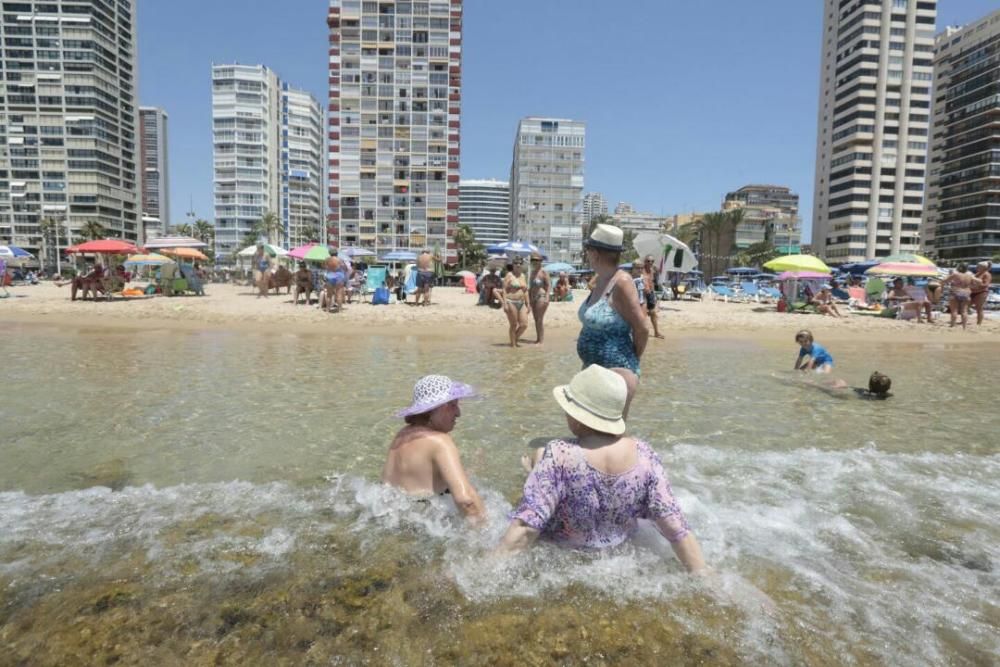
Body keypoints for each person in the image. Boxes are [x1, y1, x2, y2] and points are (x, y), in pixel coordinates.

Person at [497, 365, 707, 573]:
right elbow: (674, 526)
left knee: (539, 456)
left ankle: (532, 473)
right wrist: (703, 573)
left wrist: (487, 568)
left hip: (564, 555)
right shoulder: (645, 454)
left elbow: (527, 527)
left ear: (578, 417)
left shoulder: (559, 454)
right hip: (620, 555)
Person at [383, 375, 485, 523]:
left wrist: (471, 471)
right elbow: (466, 501)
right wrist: (490, 534)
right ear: (435, 409)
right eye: (452, 405)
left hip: (394, 517)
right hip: (425, 523)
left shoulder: (402, 435)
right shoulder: (440, 442)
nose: (458, 413)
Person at [577, 224, 648, 417]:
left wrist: (633, 359)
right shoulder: (600, 280)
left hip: (616, 374)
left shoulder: (622, 282)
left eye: (588, 250)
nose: (587, 254)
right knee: (590, 433)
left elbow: (642, 329)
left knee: (610, 436)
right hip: (593, 371)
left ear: (596, 253)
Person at [497, 258, 529, 347]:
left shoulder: (523, 276)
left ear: (522, 265)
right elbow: (504, 289)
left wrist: (528, 304)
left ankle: (514, 339)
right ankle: (513, 345)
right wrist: (505, 304)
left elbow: (525, 291)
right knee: (514, 324)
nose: (518, 265)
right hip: (511, 301)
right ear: (513, 265)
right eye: (516, 263)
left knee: (524, 325)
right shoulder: (509, 275)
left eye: (520, 263)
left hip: (521, 302)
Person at [528, 253, 551, 345]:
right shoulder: (532, 273)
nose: (534, 262)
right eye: (533, 260)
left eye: (536, 260)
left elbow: (549, 285)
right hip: (533, 298)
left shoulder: (543, 272)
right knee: (535, 319)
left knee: (539, 319)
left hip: (541, 297)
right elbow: (530, 287)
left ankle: (541, 341)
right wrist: (529, 300)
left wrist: (547, 297)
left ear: (541, 261)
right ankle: (538, 339)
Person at [640, 255, 665, 338]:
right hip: (641, 294)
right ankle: (639, 332)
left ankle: (656, 332)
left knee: (653, 313)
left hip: (650, 294)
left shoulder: (653, 271)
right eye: (648, 261)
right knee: (641, 314)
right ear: (645, 261)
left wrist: (654, 294)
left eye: (652, 261)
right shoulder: (640, 270)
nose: (650, 263)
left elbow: (653, 283)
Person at [943, 265, 974, 329]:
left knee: (954, 310)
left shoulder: (955, 274)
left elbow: (944, 280)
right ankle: (964, 326)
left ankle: (952, 325)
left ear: (958, 269)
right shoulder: (969, 276)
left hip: (956, 291)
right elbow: (978, 282)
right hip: (966, 293)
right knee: (964, 311)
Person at [970, 261, 991, 327]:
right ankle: (964, 320)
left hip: (981, 292)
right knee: (965, 306)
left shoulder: (987, 274)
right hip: (973, 292)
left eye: (978, 266)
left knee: (979, 308)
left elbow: (985, 284)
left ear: (983, 267)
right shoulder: (977, 273)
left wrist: (976, 285)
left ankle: (979, 323)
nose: (976, 267)